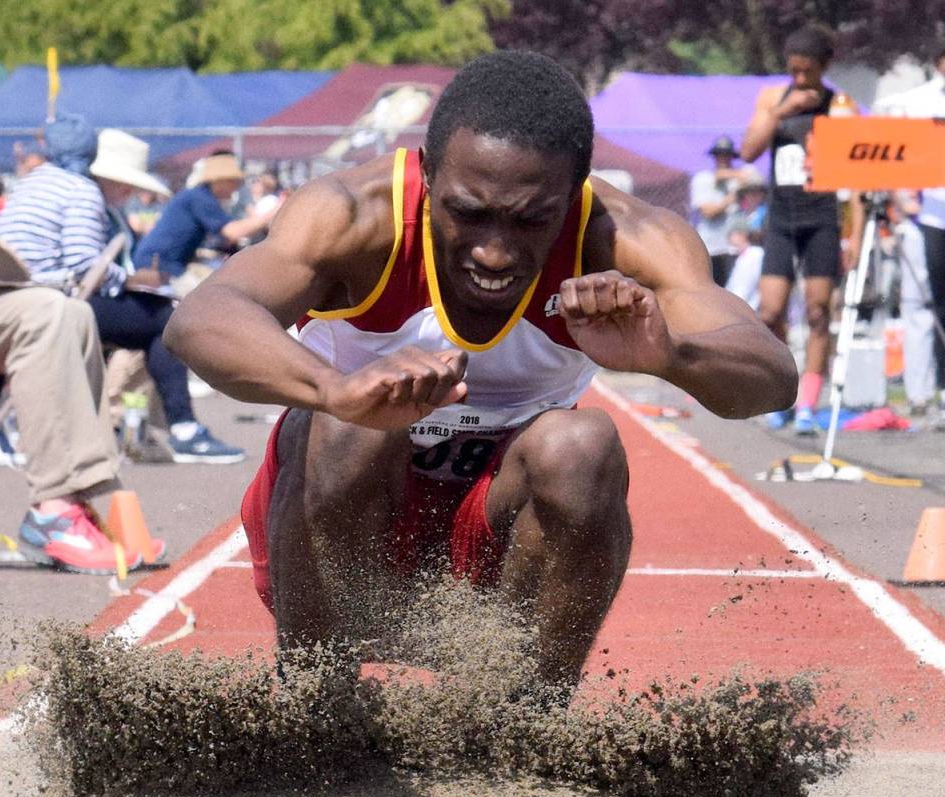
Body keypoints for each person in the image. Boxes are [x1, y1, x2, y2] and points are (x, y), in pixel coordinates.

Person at [164, 51, 795, 693]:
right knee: (348, 428)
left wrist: (672, 355)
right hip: (339, 514)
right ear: (429, 172)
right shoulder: (353, 214)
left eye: (531, 220)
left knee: (583, 444)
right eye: (467, 212)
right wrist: (338, 389)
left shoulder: (627, 237)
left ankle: (516, 719)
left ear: (575, 191)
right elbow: (201, 319)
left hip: (500, 537)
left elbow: (773, 376)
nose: (494, 252)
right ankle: (314, 704)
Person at [0, 3, 144, 574]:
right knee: (52, 314)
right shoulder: (78, 190)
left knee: (68, 313)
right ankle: (59, 508)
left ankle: (73, 501)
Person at [0, 117, 244, 463]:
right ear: (104, 174)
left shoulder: (31, 183)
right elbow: (85, 264)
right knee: (165, 320)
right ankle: (183, 429)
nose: (129, 194)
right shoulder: (81, 191)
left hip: (12, 301)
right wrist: (129, 280)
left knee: (140, 316)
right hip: (54, 305)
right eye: (126, 185)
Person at [741, 25, 843, 435]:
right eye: (793, 70)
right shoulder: (772, 99)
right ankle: (783, 390)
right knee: (770, 311)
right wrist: (781, 113)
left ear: (824, 67)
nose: (799, 79)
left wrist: (853, 232)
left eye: (807, 71)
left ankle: (808, 405)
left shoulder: (839, 105)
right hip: (782, 218)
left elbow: (856, 172)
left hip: (822, 218)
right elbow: (749, 150)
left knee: (818, 312)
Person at [874, 46, 945, 424]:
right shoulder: (915, 103)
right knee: (920, 305)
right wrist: (901, 198)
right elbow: (892, 154)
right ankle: (919, 392)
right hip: (925, 217)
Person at [132, 152, 275, 297]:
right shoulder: (200, 198)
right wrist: (271, 214)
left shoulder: (198, 196)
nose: (236, 187)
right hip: (159, 265)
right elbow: (232, 232)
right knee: (210, 299)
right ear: (220, 181)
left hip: (165, 264)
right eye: (233, 181)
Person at [690, 135, 753, 286]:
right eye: (720, 155)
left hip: (734, 248)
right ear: (714, 157)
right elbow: (708, 212)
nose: (724, 158)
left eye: (727, 155)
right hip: (711, 248)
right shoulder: (703, 179)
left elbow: (753, 177)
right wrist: (731, 198)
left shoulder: (739, 179)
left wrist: (737, 179)